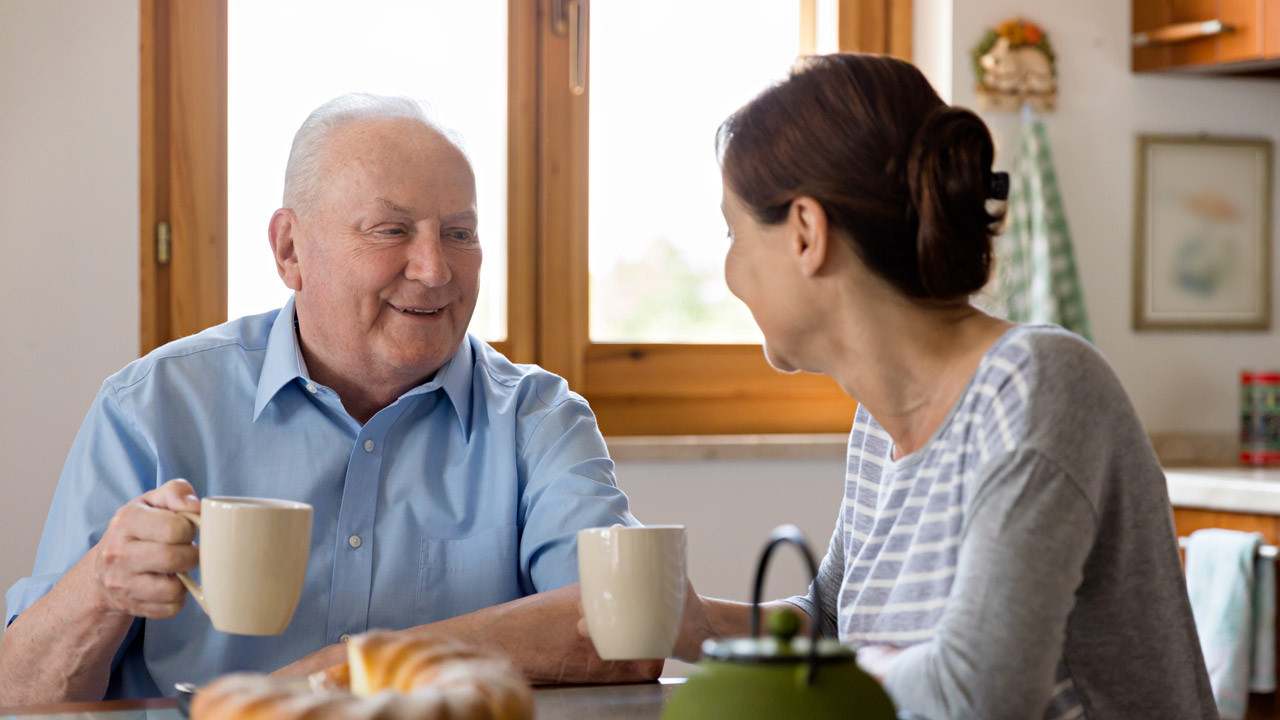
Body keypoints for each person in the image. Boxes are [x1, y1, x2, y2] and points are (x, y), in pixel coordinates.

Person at [0, 93, 657, 705]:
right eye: (391, 231)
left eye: (459, 234)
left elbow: (622, 628)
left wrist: (340, 670)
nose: (434, 269)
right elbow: (19, 695)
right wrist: (98, 589)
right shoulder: (153, 406)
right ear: (290, 249)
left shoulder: (536, 418)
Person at [629, 54, 1217, 719]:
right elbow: (830, 626)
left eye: (734, 233)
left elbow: (977, 693)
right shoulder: (878, 425)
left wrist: (866, 664)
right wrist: (687, 624)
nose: (731, 271)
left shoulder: (1038, 388)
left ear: (805, 233)